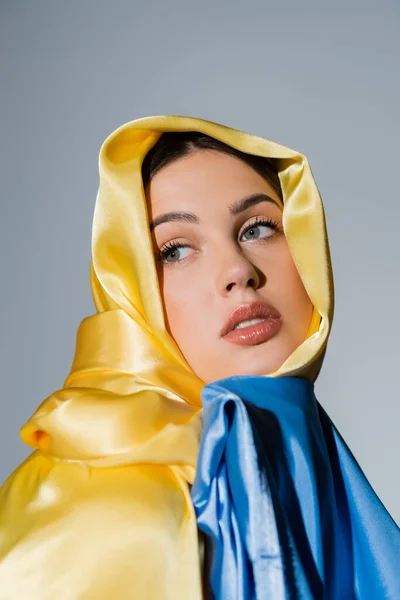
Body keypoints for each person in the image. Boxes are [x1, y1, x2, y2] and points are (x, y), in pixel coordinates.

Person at [0, 115, 398, 599]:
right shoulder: (103, 513)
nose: (237, 271)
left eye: (257, 229)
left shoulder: (309, 466)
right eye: (174, 251)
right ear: (131, 295)